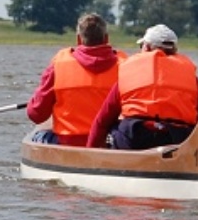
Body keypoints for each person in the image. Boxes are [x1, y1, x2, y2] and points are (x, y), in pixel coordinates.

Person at [87, 23, 198, 150]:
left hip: (135, 137)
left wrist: (90, 152)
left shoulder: (131, 73)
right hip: (177, 140)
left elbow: (102, 120)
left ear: (146, 47)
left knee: (113, 127)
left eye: (141, 46)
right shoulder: (190, 77)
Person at [25, 12, 126, 146]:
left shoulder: (59, 64)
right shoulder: (126, 66)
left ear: (79, 39)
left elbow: (36, 115)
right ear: (106, 38)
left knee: (38, 133)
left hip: (67, 143)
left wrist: (35, 101)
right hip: (109, 143)